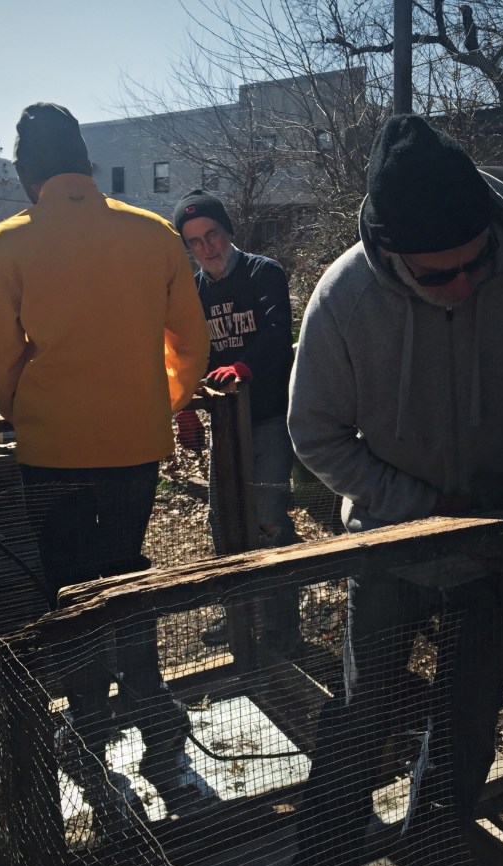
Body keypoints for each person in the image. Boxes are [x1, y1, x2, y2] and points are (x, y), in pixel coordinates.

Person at [285, 113, 503, 866]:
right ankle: (322, 864)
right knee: (365, 707)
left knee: (469, 715)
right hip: (389, 543)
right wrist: (425, 506)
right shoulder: (343, 296)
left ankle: (432, 859)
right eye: (437, 276)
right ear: (389, 251)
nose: (461, 285)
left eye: (476, 262)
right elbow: (313, 433)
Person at [0, 102, 210, 830]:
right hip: (137, 448)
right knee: (128, 574)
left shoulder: (7, 242)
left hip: (52, 452)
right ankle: (160, 739)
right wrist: (161, 398)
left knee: (71, 592)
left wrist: (24, 408)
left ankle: (89, 738)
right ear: (86, 164)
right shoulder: (152, 233)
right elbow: (191, 344)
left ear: (26, 174)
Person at [171, 189, 302, 652]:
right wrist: (184, 406)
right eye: (194, 241)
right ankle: (238, 617)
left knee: (268, 520)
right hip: (225, 426)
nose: (206, 247)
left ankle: (283, 628)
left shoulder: (263, 272)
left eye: (211, 234)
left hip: (270, 418)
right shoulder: (191, 292)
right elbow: (184, 355)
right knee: (222, 520)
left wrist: (243, 366)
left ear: (227, 231)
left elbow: (277, 335)